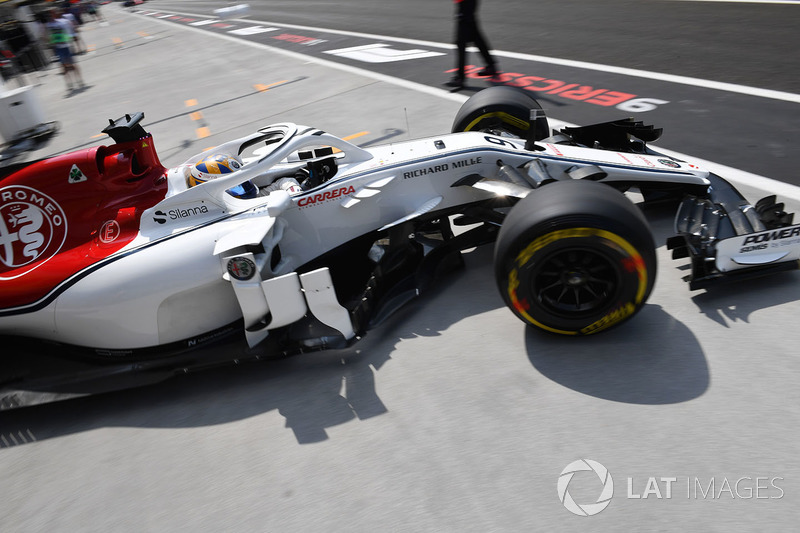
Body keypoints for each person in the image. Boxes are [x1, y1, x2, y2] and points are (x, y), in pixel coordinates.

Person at [445, 0, 498, 90]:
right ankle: (491, 65)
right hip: (466, 3)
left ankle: (460, 78)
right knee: (476, 37)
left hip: (465, 3)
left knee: (461, 42)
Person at [45, 9, 85, 93]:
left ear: (54, 14)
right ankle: (69, 84)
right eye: (47, 16)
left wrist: (69, 37)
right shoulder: (48, 25)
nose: (49, 17)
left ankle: (79, 80)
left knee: (72, 64)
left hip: (66, 46)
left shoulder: (62, 22)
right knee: (63, 66)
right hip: (58, 48)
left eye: (50, 15)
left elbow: (68, 31)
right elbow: (48, 36)